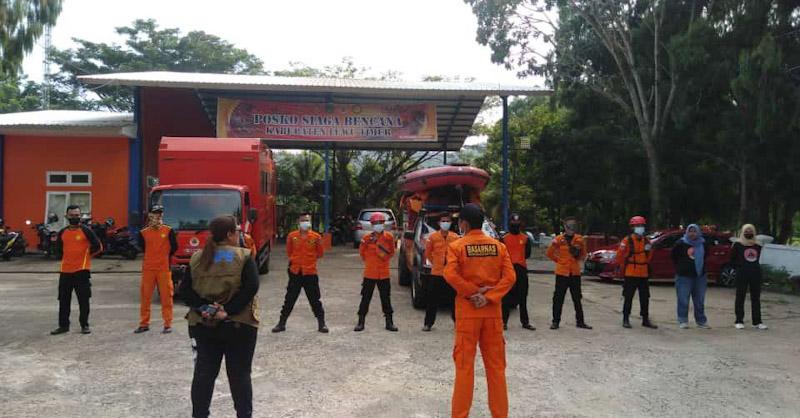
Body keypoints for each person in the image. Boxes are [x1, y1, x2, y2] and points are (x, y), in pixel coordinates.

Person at [179, 215, 260, 418]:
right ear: (230, 234)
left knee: (204, 374)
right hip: (238, 325)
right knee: (239, 375)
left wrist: (204, 308)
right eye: (237, 231)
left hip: (202, 324)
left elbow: (185, 291)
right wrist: (227, 311)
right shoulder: (244, 256)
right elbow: (251, 287)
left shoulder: (197, 257)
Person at [443, 203, 516, 418]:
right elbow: (510, 277)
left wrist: (473, 292)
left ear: (463, 223)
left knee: (465, 368)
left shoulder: (457, 246)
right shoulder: (498, 247)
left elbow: (450, 274)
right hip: (492, 314)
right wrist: (489, 297)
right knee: (496, 369)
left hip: (468, 313)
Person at [272, 213, 328, 333]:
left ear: (310, 222)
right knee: (289, 299)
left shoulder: (316, 237)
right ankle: (281, 323)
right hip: (295, 272)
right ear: (299, 222)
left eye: (307, 220)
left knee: (315, 299)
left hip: (310, 272)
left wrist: (309, 260)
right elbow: (289, 252)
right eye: (303, 220)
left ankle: (322, 323)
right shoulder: (292, 236)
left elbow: (320, 253)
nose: (305, 223)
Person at [50, 205, 102, 335]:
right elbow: (58, 249)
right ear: (66, 216)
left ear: (80, 216)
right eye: (72, 215)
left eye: (77, 215)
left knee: (83, 300)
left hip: (82, 271)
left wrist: (86, 257)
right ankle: (63, 326)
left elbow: (98, 246)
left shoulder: (86, 231)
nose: (75, 217)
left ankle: (84, 325)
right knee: (63, 300)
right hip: (65, 271)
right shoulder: (63, 232)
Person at [134, 205, 178, 334]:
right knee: (145, 297)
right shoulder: (143, 232)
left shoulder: (169, 230)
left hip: (164, 268)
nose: (157, 216)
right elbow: (141, 248)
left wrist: (164, 257)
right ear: (150, 215)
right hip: (148, 268)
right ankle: (144, 323)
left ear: (162, 215)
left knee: (167, 297)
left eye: (160, 213)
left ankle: (167, 324)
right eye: (155, 213)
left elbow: (174, 247)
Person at [546, 216, 592, 330]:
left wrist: (578, 256)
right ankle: (555, 322)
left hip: (574, 273)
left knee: (577, 298)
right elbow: (549, 253)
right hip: (562, 273)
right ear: (565, 227)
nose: (571, 228)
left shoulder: (579, 239)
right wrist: (560, 261)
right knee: (558, 298)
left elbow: (583, 255)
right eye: (569, 226)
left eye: (573, 226)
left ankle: (580, 322)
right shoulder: (558, 239)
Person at [355, 212, 398, 332]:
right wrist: (371, 262)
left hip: (384, 273)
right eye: (376, 223)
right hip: (370, 273)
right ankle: (360, 322)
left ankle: (389, 322)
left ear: (383, 224)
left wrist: (380, 253)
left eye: (380, 223)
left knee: (386, 298)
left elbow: (391, 253)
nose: (378, 225)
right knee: (365, 298)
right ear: (372, 225)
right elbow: (362, 253)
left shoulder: (388, 237)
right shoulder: (366, 238)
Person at [616, 216, 658, 329]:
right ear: (633, 227)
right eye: (637, 226)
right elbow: (619, 255)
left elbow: (650, 254)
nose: (640, 228)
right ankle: (625, 319)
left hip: (643, 273)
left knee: (645, 297)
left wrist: (645, 263)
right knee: (628, 297)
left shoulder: (646, 240)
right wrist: (622, 267)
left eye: (641, 226)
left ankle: (645, 319)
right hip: (631, 273)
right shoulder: (627, 240)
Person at [422, 213, 459, 331]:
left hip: (451, 273)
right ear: (439, 223)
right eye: (443, 221)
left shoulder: (455, 237)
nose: (445, 223)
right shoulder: (432, 237)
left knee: (454, 300)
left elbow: (459, 253)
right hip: (436, 273)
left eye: (447, 221)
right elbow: (427, 253)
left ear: (451, 223)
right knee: (432, 299)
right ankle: (428, 323)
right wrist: (435, 263)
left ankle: (457, 323)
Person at [671, 224, 711, 329]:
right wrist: (681, 266)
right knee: (683, 299)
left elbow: (706, 255)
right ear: (687, 232)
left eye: (694, 231)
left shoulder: (703, 243)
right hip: (684, 276)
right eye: (690, 231)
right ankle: (683, 320)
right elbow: (673, 256)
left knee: (699, 300)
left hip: (700, 276)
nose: (692, 233)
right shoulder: (681, 243)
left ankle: (701, 321)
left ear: (698, 232)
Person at [501, 213, 535, 331]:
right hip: (508, 270)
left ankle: (525, 322)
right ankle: (503, 322)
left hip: (521, 270)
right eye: (513, 224)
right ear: (510, 224)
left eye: (517, 224)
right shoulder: (504, 238)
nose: (515, 226)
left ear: (520, 224)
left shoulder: (525, 239)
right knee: (505, 297)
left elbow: (527, 254)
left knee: (523, 298)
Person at [731, 224, 767, 330]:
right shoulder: (737, 244)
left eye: (750, 231)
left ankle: (757, 322)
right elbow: (732, 260)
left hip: (755, 274)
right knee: (740, 297)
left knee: (756, 298)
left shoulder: (758, 245)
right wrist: (740, 266)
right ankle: (739, 320)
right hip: (742, 274)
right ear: (742, 232)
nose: (748, 233)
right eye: (746, 231)